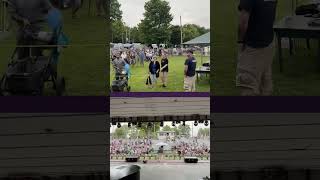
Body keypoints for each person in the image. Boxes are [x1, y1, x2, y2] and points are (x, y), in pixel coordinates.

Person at [237, 0, 277, 96]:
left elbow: (243, 23)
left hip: (253, 46)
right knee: (265, 81)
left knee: (248, 86)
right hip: (269, 42)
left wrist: (241, 42)